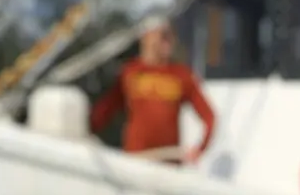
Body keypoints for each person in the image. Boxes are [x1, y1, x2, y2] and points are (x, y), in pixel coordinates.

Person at [90, 16, 216, 165]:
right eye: (162, 35)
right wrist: (87, 132)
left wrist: (200, 149)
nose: (167, 41)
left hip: (168, 162)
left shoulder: (182, 75)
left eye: (170, 36)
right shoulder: (130, 72)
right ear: (145, 37)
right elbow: (106, 109)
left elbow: (209, 117)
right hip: (136, 160)